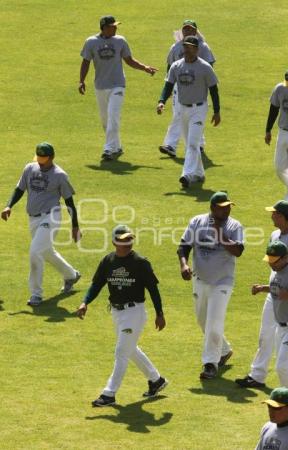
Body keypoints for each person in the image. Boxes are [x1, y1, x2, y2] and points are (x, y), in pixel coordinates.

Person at [77, 224, 168, 406]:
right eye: (122, 240)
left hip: (134, 312)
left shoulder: (141, 263)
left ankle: (109, 394)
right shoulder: (108, 261)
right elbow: (97, 285)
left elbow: (153, 289)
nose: (126, 244)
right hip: (117, 313)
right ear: (114, 242)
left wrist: (159, 313)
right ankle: (156, 380)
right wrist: (85, 302)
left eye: (129, 240)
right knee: (130, 349)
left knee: (121, 352)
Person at [1, 142, 81, 306]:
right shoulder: (30, 168)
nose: (40, 161)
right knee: (46, 252)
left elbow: (69, 202)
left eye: (43, 159)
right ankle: (71, 275)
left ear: (51, 158)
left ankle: (36, 294)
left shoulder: (60, 175)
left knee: (35, 251)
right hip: (33, 218)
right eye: (39, 158)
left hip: (51, 217)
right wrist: (9, 205)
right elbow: (19, 189)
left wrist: (75, 226)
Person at [177, 192, 244, 379]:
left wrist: (219, 233)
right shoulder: (197, 221)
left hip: (223, 281)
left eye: (229, 206)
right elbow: (183, 246)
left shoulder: (234, 225)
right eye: (223, 207)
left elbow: (238, 251)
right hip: (200, 279)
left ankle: (210, 364)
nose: (228, 209)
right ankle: (224, 350)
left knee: (214, 322)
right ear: (213, 208)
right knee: (202, 320)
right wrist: (183, 264)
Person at [236, 201, 288, 388]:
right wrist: (267, 287)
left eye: (275, 213)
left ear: (283, 216)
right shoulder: (274, 234)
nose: (271, 216)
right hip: (274, 291)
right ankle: (258, 374)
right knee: (265, 333)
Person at [79, 15, 158, 162]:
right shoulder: (91, 42)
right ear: (104, 28)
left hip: (117, 85)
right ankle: (117, 146)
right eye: (112, 26)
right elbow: (85, 62)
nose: (116, 28)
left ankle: (108, 149)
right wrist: (81, 81)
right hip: (100, 86)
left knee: (113, 116)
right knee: (105, 120)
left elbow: (129, 60)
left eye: (116, 26)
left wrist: (144, 68)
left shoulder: (120, 41)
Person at [157, 35, 220, 189]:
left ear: (197, 49)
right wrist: (161, 101)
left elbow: (214, 90)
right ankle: (199, 173)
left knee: (192, 144)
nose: (186, 49)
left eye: (190, 47)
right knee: (189, 143)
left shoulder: (205, 67)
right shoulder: (176, 66)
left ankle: (187, 175)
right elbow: (168, 85)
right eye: (185, 46)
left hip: (199, 109)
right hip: (183, 108)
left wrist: (217, 111)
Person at [251, 241, 288, 415]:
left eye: (275, 260)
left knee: (283, 365)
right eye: (269, 259)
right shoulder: (276, 271)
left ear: (285, 258)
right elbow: (277, 289)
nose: (271, 263)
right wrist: (262, 288)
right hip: (282, 328)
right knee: (284, 367)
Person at [159, 19, 216, 158]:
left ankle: (172, 145)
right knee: (182, 114)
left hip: (198, 87)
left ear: (196, 31)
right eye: (185, 29)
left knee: (192, 114)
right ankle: (196, 144)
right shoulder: (176, 47)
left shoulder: (203, 47)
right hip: (180, 87)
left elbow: (209, 68)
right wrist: (169, 88)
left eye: (190, 29)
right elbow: (170, 68)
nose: (187, 31)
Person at [265, 68, 288, 206]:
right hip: (283, 132)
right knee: (279, 167)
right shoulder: (279, 89)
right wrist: (268, 130)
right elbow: (273, 109)